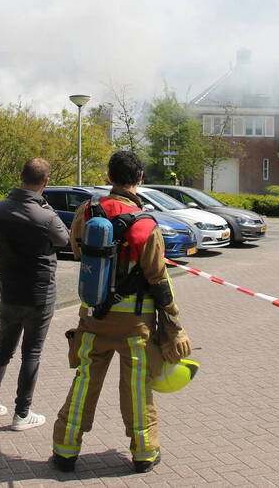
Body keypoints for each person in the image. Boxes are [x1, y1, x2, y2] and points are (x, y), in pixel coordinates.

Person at [51, 151, 192, 474]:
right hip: (136, 323)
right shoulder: (146, 223)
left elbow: (76, 251)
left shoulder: (87, 211)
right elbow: (158, 277)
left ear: (109, 177)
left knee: (85, 382)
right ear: (139, 178)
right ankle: (144, 453)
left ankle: (65, 450)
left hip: (93, 317)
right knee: (137, 389)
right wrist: (174, 321)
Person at [0, 158, 69, 431]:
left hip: (10, 290)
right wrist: (46, 206)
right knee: (32, 352)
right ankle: (22, 413)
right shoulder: (46, 215)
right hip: (39, 292)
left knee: (4, 348)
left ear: (20, 176)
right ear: (45, 183)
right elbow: (63, 239)